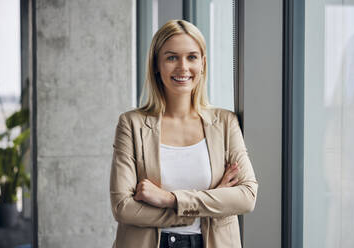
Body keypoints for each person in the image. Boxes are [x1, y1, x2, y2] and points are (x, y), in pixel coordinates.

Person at [110, 19, 258, 248]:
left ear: (203, 64)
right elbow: (123, 208)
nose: (183, 67)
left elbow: (247, 196)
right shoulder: (132, 124)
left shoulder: (225, 123)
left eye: (191, 57)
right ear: (157, 65)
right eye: (171, 57)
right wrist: (204, 205)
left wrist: (170, 199)